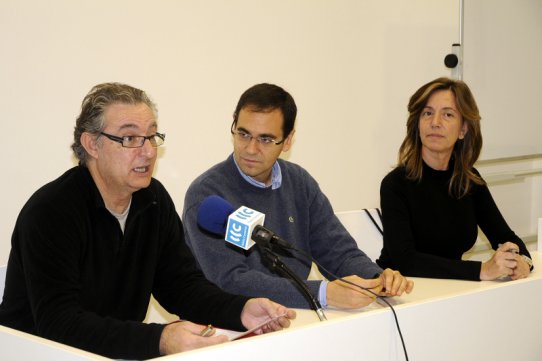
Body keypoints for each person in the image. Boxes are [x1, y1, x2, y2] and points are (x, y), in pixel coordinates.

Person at [0, 83, 295, 360]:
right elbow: (59, 325)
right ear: (91, 144)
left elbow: (181, 287)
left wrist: (241, 310)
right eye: (130, 139)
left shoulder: (152, 200)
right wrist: (160, 340)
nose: (149, 151)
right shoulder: (51, 211)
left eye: (152, 136)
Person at [182, 83, 413, 310]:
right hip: (231, 328)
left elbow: (338, 252)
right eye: (243, 134)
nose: (250, 149)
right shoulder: (208, 195)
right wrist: (322, 293)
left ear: (288, 139)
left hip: (297, 319)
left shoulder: (299, 183)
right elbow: (231, 281)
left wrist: (377, 279)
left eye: (265, 139)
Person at [376, 77, 533, 281]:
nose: (435, 123)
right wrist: (482, 270)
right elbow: (406, 261)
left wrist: (523, 262)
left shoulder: (470, 180)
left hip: (453, 291)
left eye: (447, 114)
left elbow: (507, 238)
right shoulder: (395, 184)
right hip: (403, 293)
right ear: (418, 125)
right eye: (427, 113)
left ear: (463, 130)